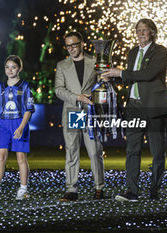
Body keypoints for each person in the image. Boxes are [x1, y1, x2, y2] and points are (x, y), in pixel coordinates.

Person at [103, 18, 167, 201]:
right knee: (132, 148)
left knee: (157, 151)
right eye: (138, 29)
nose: (141, 33)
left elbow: (148, 74)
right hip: (133, 106)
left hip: (154, 106)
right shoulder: (132, 52)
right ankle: (132, 190)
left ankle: (154, 189)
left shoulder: (160, 51)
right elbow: (130, 78)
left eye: (144, 30)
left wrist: (121, 73)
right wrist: (112, 77)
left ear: (152, 33)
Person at [55, 31, 105, 201]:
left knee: (95, 151)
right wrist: (77, 97)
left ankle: (99, 188)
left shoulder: (95, 61)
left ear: (82, 43)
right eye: (68, 46)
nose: (71, 48)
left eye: (74, 45)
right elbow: (58, 90)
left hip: (91, 111)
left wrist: (97, 95)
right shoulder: (62, 65)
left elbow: (103, 84)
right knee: (72, 151)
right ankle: (72, 189)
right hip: (73, 111)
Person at [0, 55, 35, 200]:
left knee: (21, 157)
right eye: (7, 67)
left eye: (13, 67)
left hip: (18, 123)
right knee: (0, 156)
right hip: (3, 125)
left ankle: (23, 189)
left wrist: (21, 127)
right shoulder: (1, 87)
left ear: (19, 68)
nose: (10, 70)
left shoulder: (25, 86)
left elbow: (29, 109)